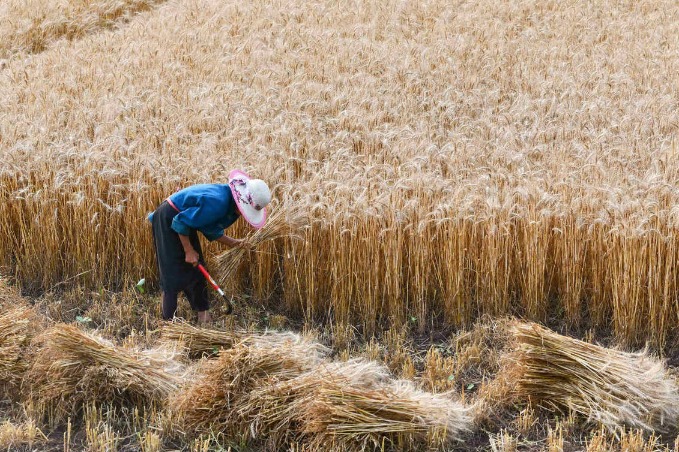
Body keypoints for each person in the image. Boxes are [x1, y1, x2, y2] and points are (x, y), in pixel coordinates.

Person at [148, 169, 271, 323]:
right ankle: (168, 323)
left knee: (198, 267)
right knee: (172, 272)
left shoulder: (227, 203)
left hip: (183, 221)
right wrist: (188, 250)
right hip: (168, 218)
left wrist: (235, 243)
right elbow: (179, 221)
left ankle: (204, 316)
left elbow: (209, 227)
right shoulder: (218, 203)